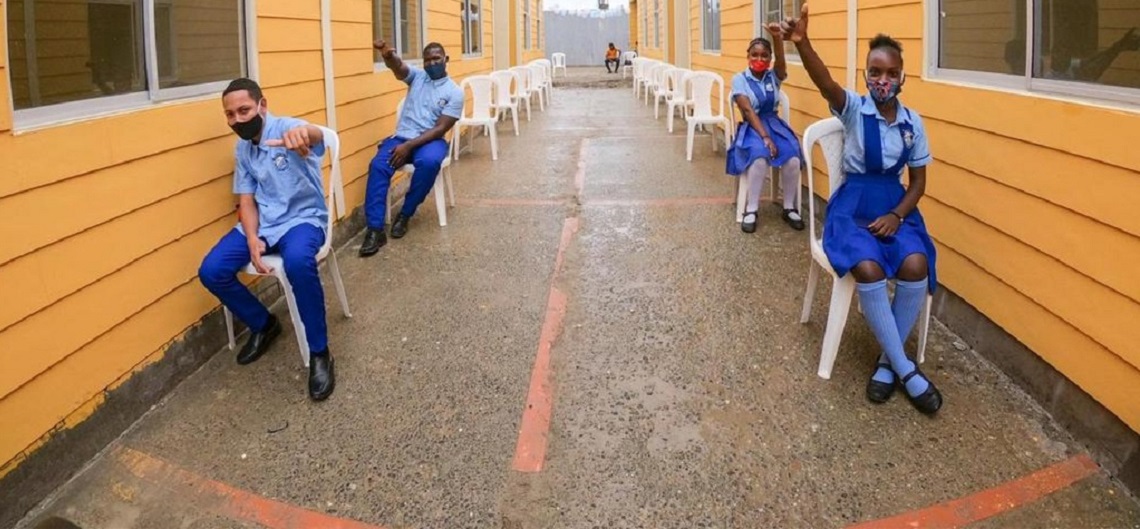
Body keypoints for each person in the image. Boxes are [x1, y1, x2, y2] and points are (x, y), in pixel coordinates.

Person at [778, 3, 942, 414]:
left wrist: (897, 216)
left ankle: (887, 363)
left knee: (916, 263)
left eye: (891, 73)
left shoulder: (913, 123)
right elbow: (824, 83)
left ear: (902, 77)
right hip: (853, 206)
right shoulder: (853, 109)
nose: (883, 80)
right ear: (866, 75)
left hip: (895, 205)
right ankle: (906, 369)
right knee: (866, 266)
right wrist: (802, 43)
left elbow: (918, 183)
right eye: (875, 72)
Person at [198, 78, 335, 401]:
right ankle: (264, 323)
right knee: (212, 270)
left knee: (298, 264)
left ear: (262, 105)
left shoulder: (287, 128)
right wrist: (251, 239)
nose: (238, 119)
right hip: (264, 223)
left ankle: (319, 351)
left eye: (244, 110)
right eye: (230, 115)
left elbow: (314, 136)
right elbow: (246, 200)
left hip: (302, 219)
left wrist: (306, 133)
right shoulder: (243, 149)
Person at [360, 40, 464, 256]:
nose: (432, 63)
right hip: (401, 137)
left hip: (430, 140)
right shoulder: (418, 77)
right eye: (427, 60)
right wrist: (389, 56)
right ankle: (375, 229)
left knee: (429, 163)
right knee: (378, 165)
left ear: (446, 60)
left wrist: (408, 146)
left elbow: (440, 128)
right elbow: (399, 68)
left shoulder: (455, 92)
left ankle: (405, 214)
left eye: (436, 59)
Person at [726, 29, 804, 233]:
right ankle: (751, 209)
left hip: (774, 123)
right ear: (748, 56)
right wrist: (765, 137)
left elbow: (782, 65)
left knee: (793, 156)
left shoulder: (773, 77)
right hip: (752, 126)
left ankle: (789, 207)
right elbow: (747, 110)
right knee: (759, 156)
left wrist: (777, 39)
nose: (759, 59)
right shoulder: (739, 79)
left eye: (764, 55)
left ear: (770, 58)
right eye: (755, 55)